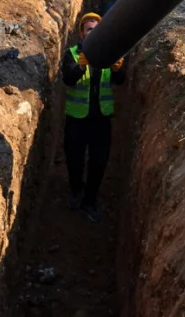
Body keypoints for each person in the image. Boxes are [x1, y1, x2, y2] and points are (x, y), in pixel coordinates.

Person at [62, 12, 126, 222]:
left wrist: (117, 69)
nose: (93, 33)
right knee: (75, 159)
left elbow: (120, 81)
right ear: (82, 33)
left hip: (101, 119)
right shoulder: (72, 54)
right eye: (89, 29)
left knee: (99, 162)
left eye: (97, 30)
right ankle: (76, 190)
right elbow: (68, 79)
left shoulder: (109, 54)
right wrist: (81, 65)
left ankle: (90, 200)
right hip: (77, 120)